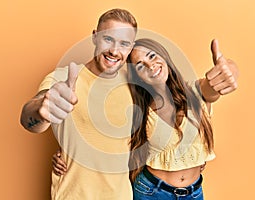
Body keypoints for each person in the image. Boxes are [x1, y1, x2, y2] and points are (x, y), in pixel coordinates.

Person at [52, 37, 238, 200]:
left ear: (164, 56)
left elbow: (216, 85)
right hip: (151, 192)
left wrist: (229, 70)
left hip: (194, 193)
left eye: (152, 56)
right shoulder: (138, 110)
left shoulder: (195, 93)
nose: (150, 65)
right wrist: (69, 155)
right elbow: (100, 134)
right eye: (140, 65)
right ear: (137, 77)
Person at [20, 8, 137, 200]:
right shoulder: (62, 78)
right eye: (108, 39)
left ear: (131, 47)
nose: (115, 51)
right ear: (94, 37)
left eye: (124, 44)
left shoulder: (135, 85)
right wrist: (43, 110)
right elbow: (28, 118)